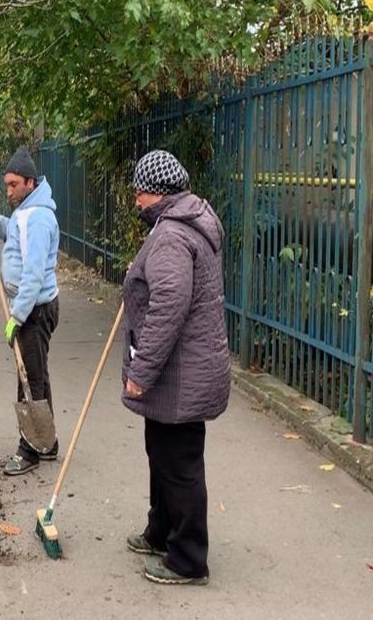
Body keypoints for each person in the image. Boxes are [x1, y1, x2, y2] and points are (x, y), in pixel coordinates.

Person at [121, 150, 230, 586]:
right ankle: (160, 532)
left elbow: (169, 307)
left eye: (141, 192)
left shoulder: (170, 235)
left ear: (161, 193)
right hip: (186, 370)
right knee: (162, 454)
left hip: (180, 374)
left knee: (180, 463)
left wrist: (141, 372)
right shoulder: (184, 223)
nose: (136, 201)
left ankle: (188, 559)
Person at [0, 145, 60, 476]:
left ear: (28, 182)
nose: (8, 190)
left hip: (35, 311)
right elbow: (14, 230)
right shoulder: (27, 211)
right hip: (32, 309)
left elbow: (34, 273)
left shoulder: (38, 217)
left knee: (28, 380)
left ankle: (30, 451)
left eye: (13, 185)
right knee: (38, 376)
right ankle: (47, 442)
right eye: (6, 184)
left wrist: (17, 316)